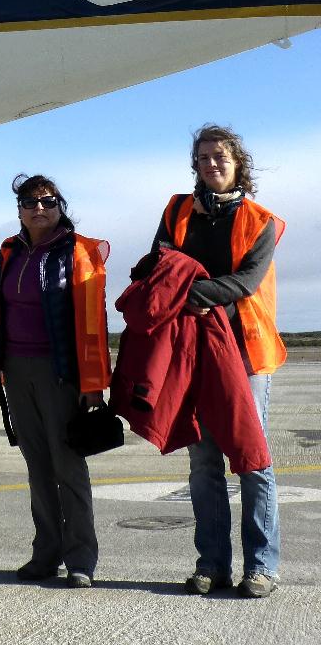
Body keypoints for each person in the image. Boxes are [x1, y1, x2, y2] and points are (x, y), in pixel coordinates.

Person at [151, 124, 285, 599]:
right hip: (193, 353)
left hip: (246, 354)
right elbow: (156, 267)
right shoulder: (177, 211)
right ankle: (212, 564)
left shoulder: (260, 220)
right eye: (204, 157)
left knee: (252, 460)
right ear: (196, 164)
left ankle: (262, 566)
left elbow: (246, 281)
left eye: (221, 157)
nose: (212, 164)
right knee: (204, 462)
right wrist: (189, 297)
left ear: (237, 162)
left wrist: (191, 293)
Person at [0, 173, 110, 588]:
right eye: (29, 203)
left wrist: (92, 383)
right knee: (37, 467)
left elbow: (94, 323)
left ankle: (81, 558)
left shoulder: (77, 252)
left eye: (47, 202)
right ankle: (46, 554)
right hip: (15, 368)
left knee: (68, 465)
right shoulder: (10, 251)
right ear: (19, 210)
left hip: (61, 371)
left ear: (60, 205)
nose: (39, 209)